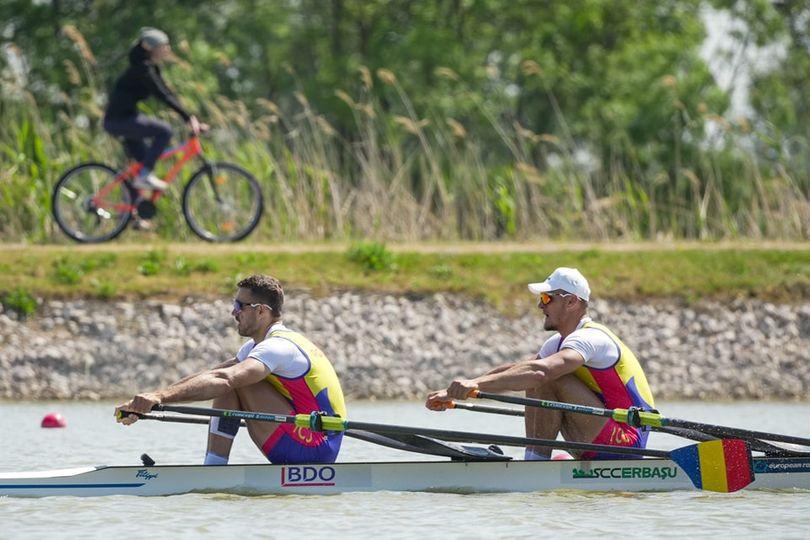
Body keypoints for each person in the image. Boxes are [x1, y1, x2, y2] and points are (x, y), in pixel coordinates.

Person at [425, 267, 655, 460]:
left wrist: (475, 383)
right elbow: (517, 371)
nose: (540, 306)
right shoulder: (559, 343)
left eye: (547, 298)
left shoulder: (591, 338)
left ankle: (535, 463)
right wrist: (458, 390)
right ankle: (538, 461)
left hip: (625, 440)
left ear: (572, 302)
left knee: (546, 376)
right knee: (533, 374)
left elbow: (539, 372)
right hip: (601, 436)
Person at [116, 274, 347, 465]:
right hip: (306, 438)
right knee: (228, 378)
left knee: (234, 381)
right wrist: (150, 401)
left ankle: (214, 468)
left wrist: (159, 397)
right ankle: (214, 466)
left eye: (240, 306)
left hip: (314, 447)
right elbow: (209, 375)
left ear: (261, 311)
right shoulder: (258, 347)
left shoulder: (277, 347)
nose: (233, 312)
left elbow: (223, 379)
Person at [103, 27, 206, 191]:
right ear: (150, 48)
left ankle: (131, 211)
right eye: (164, 46)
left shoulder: (149, 68)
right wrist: (188, 118)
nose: (168, 49)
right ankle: (144, 175)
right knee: (164, 131)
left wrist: (190, 116)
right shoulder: (142, 69)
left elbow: (168, 92)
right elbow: (162, 96)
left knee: (142, 167)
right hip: (119, 122)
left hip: (126, 119)